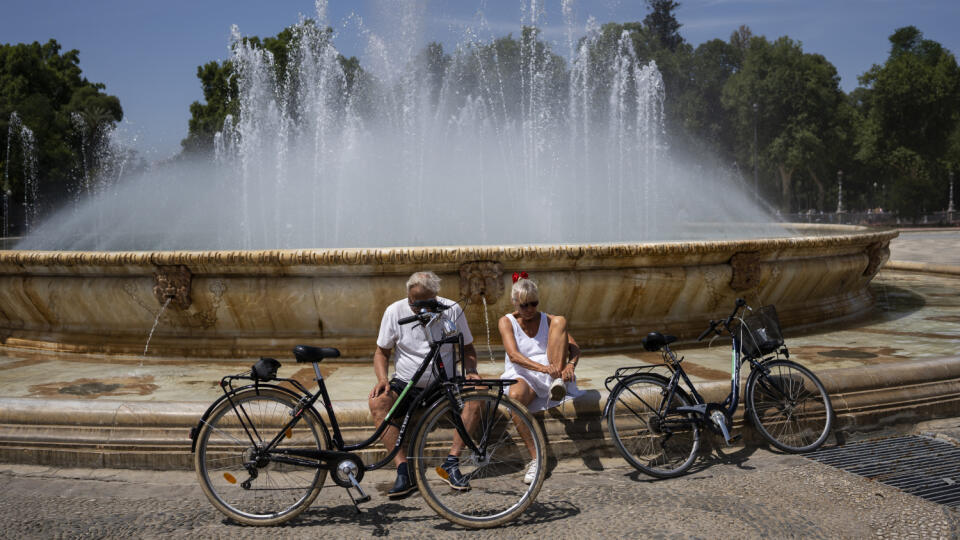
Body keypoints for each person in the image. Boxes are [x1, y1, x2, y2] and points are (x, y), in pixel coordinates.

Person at [368, 271, 481, 499]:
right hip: (405, 384)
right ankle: (403, 469)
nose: (418, 309)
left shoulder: (452, 309)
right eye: (413, 303)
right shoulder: (394, 311)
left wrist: (471, 372)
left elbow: (467, 348)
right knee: (378, 402)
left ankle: (451, 462)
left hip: (445, 383)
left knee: (477, 395)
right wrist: (382, 379)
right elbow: (382, 352)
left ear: (436, 298)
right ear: (408, 296)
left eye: (425, 304)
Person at [498, 273, 583, 484]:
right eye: (524, 305)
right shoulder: (506, 321)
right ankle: (537, 459)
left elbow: (574, 347)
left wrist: (571, 365)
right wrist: (544, 369)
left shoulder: (549, 320)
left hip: (551, 371)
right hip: (523, 372)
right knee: (515, 398)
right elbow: (514, 356)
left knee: (560, 320)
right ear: (514, 302)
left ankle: (558, 383)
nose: (529, 309)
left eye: (533, 304)